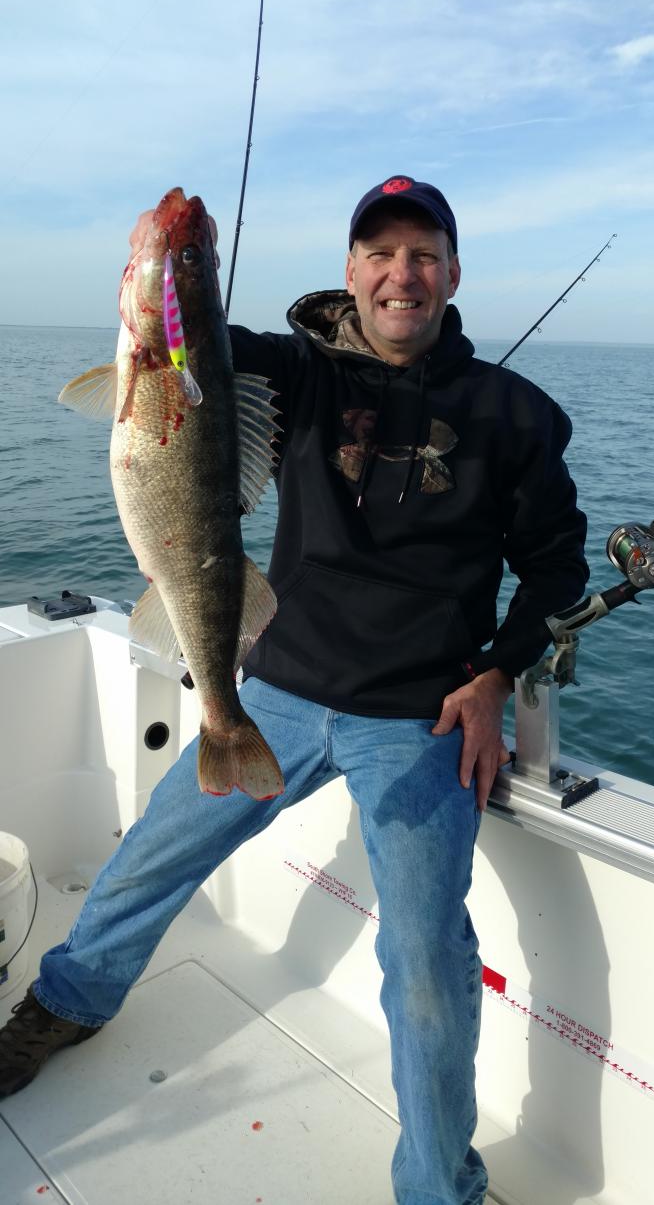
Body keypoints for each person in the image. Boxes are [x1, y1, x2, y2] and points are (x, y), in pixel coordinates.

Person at [0, 176, 588, 1205]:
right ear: (350, 271)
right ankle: (66, 1001)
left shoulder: (516, 415)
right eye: (380, 253)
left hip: (417, 719)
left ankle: (439, 1185)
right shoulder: (290, 373)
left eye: (422, 254)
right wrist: (168, 273)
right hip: (272, 686)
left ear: (452, 274)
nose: (400, 273)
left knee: (424, 962)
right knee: (148, 854)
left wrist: (498, 672)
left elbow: (557, 572)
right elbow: (187, 356)